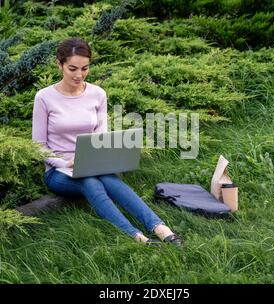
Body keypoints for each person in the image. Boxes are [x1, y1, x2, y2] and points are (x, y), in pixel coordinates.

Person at [32, 37, 182, 246]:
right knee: (90, 182)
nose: (79, 75)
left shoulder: (97, 94)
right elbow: (38, 146)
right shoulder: (44, 97)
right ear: (60, 64)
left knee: (111, 181)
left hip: (92, 164)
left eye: (85, 68)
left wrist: (102, 158)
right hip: (58, 171)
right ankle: (136, 236)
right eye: (72, 68)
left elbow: (101, 137)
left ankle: (161, 228)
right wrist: (65, 163)